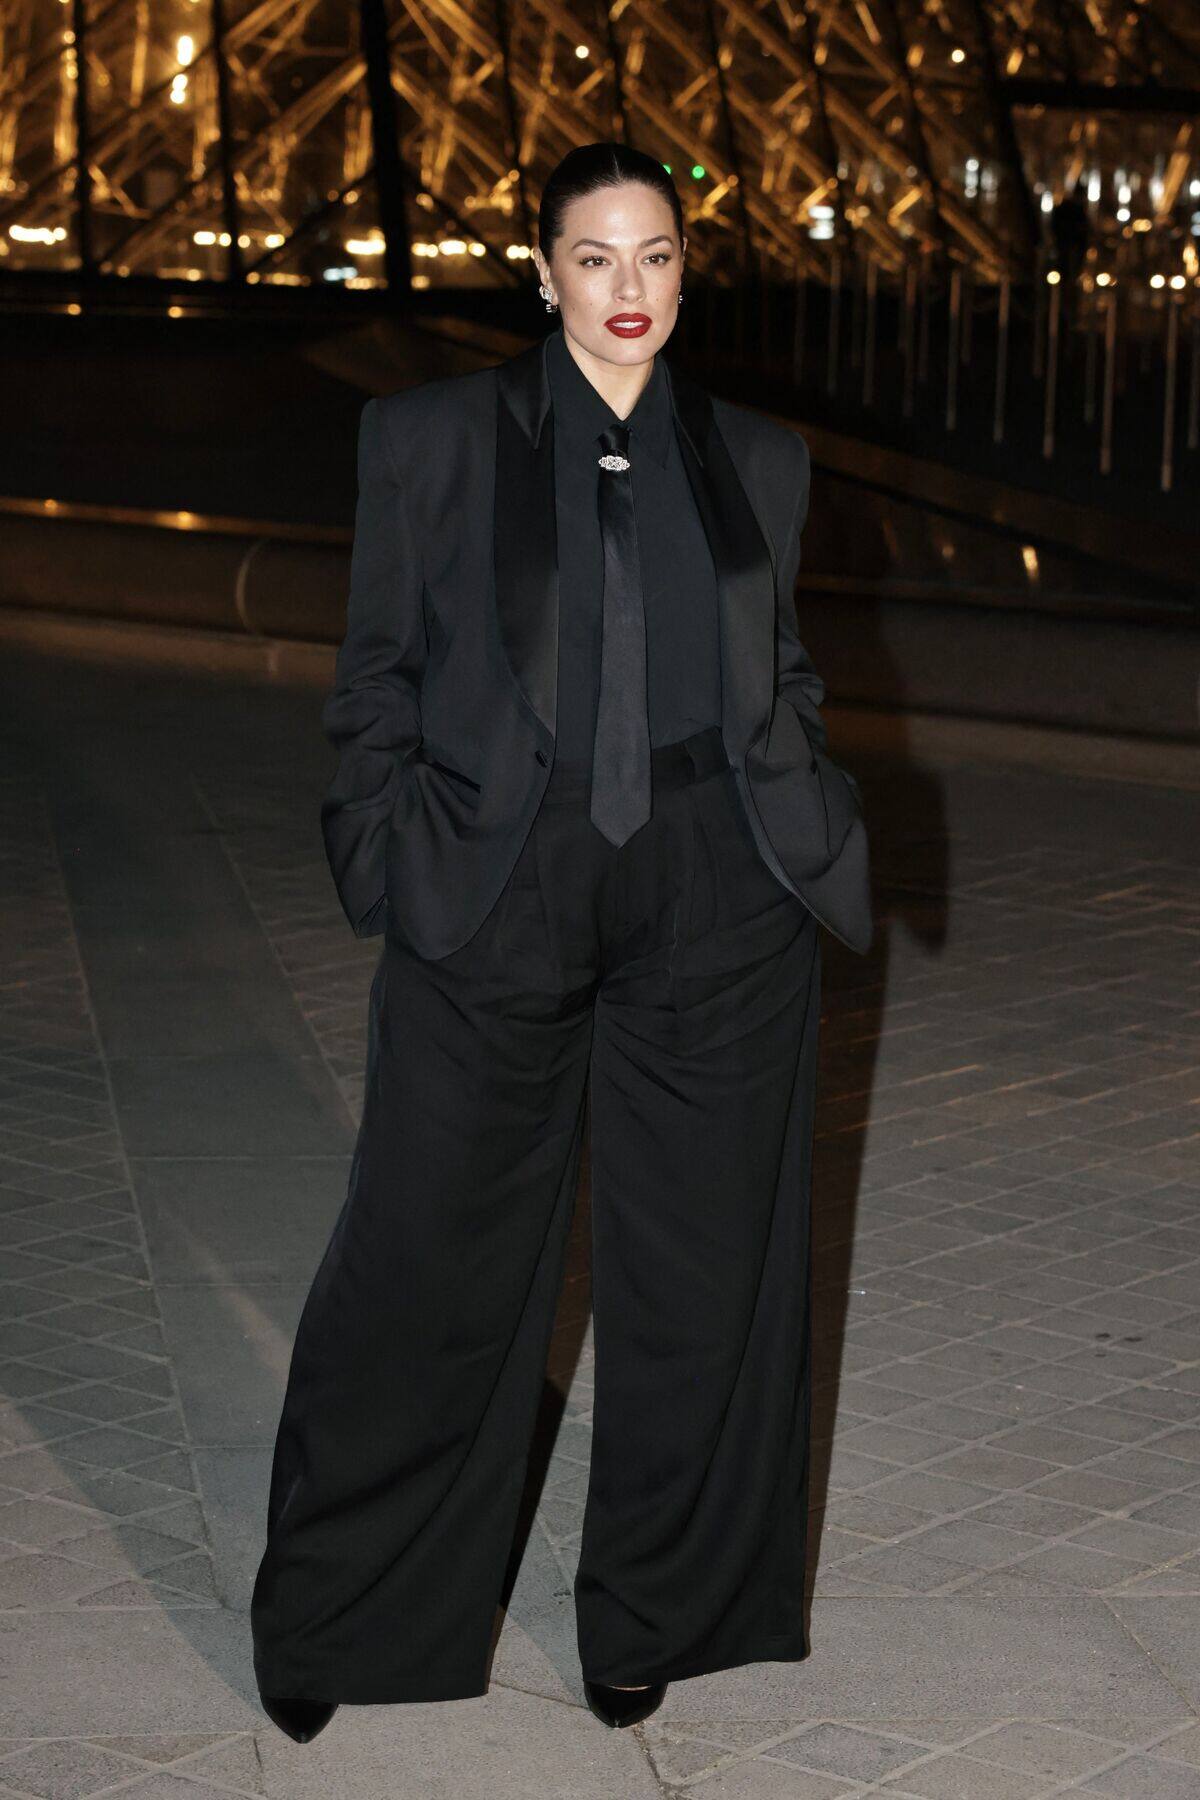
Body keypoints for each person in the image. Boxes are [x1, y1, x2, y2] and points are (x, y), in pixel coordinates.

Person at [249, 139, 872, 1745]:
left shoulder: (759, 457)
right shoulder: (434, 439)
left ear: (687, 268)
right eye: (595, 259)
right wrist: (389, 857)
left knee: (706, 1274)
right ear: (542, 274)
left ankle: (657, 1610)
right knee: (423, 1258)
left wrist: (803, 815)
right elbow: (376, 675)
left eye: (655, 256)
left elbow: (780, 668)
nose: (628, 290)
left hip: (716, 891)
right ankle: (345, 1610)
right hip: (498, 880)